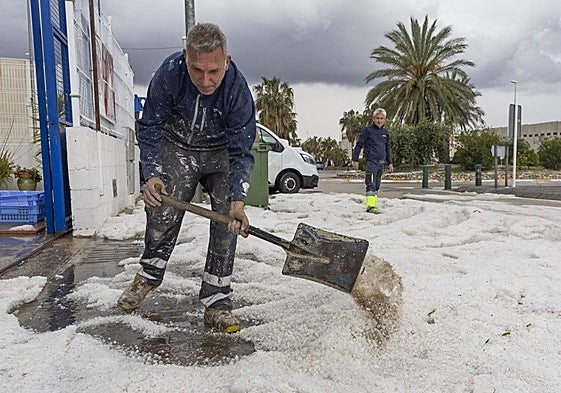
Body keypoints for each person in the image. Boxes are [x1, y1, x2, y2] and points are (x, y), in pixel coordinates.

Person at [117, 23, 256, 334]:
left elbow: (241, 151)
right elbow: (150, 126)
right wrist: (151, 173)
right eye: (197, 70)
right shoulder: (168, 74)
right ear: (185, 57)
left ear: (227, 62)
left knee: (226, 220)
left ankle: (217, 299)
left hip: (221, 154)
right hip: (178, 146)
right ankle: (149, 275)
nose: (205, 80)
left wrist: (238, 201)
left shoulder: (238, 91)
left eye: (214, 71)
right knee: (161, 208)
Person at [351, 108, 394, 214]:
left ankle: (373, 204)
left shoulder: (385, 133)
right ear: (373, 119)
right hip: (371, 162)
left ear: (384, 120)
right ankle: (370, 206)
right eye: (377, 118)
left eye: (381, 118)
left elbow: (387, 148)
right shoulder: (367, 130)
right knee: (371, 184)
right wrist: (355, 159)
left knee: (377, 185)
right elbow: (359, 145)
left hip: (381, 163)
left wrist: (390, 163)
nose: (379, 120)